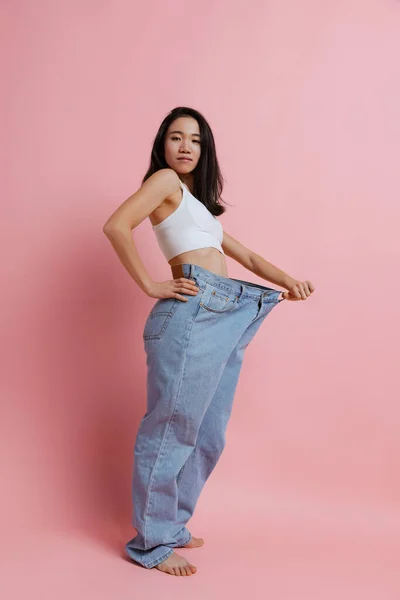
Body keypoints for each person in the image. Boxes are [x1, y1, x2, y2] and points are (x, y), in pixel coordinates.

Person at [103, 106, 315, 576]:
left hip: (225, 313)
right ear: (162, 145)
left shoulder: (201, 210)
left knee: (207, 434)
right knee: (172, 428)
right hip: (190, 314)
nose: (185, 147)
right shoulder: (163, 183)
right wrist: (150, 284)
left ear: (205, 150)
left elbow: (249, 257)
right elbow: (116, 226)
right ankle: (151, 543)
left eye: (195, 140)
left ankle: (172, 524)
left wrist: (291, 280)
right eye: (176, 138)